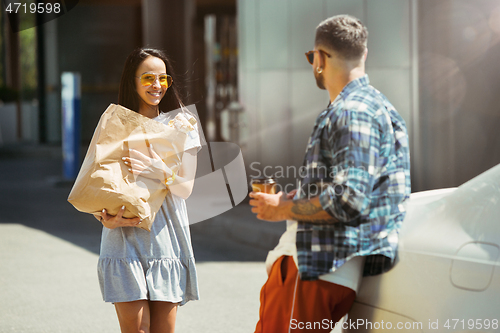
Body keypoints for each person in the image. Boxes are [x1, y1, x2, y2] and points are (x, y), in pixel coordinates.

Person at [249, 15, 411, 332]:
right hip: (334, 270)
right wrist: (299, 198)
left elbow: (350, 199)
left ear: (320, 59)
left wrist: (283, 208)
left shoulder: (351, 110)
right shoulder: (377, 106)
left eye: (312, 57)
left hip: (313, 269)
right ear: (363, 54)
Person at [94, 47, 202, 333]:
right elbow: (98, 185)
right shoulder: (115, 124)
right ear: (132, 80)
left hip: (165, 240)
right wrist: (103, 217)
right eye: (148, 78)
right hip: (122, 238)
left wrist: (159, 171)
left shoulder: (183, 125)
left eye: (163, 79)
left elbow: (186, 189)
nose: (157, 85)